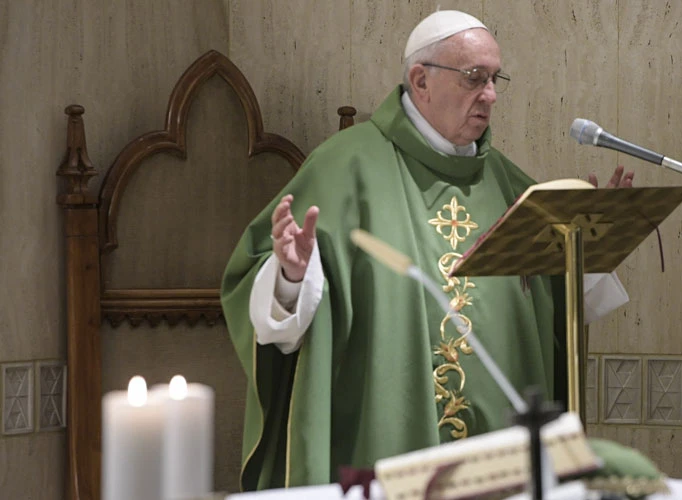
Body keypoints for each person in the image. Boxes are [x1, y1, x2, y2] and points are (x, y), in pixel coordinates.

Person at [221, 10, 634, 491]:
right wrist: (291, 276)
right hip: (384, 448)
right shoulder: (343, 169)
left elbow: (558, 306)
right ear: (421, 80)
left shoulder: (507, 183)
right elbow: (266, 306)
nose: (491, 94)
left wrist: (593, 240)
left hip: (501, 464)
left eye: (495, 79)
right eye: (474, 78)